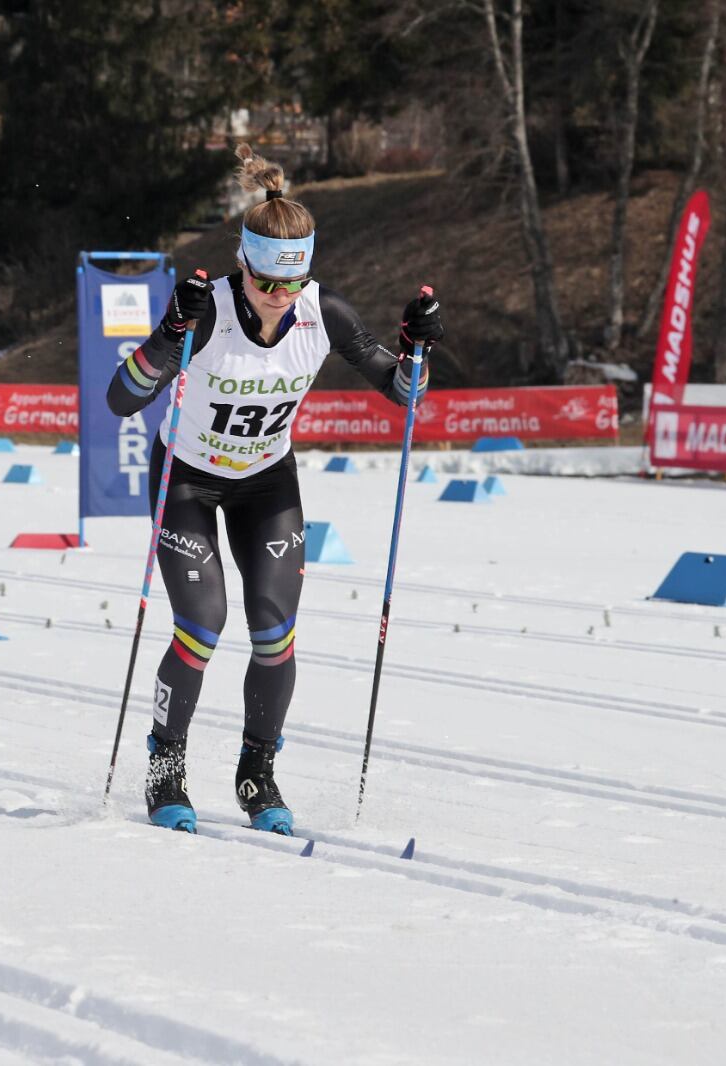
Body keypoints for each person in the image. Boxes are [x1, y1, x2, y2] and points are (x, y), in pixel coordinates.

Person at [106, 144, 443, 836]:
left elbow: (405, 396)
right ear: (244, 264)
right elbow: (119, 397)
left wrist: (417, 351)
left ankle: (257, 770)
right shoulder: (208, 313)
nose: (277, 297)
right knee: (201, 626)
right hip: (190, 483)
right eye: (266, 282)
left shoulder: (326, 315)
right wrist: (170, 335)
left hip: (267, 483)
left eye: (291, 284)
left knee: (274, 632)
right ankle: (165, 764)